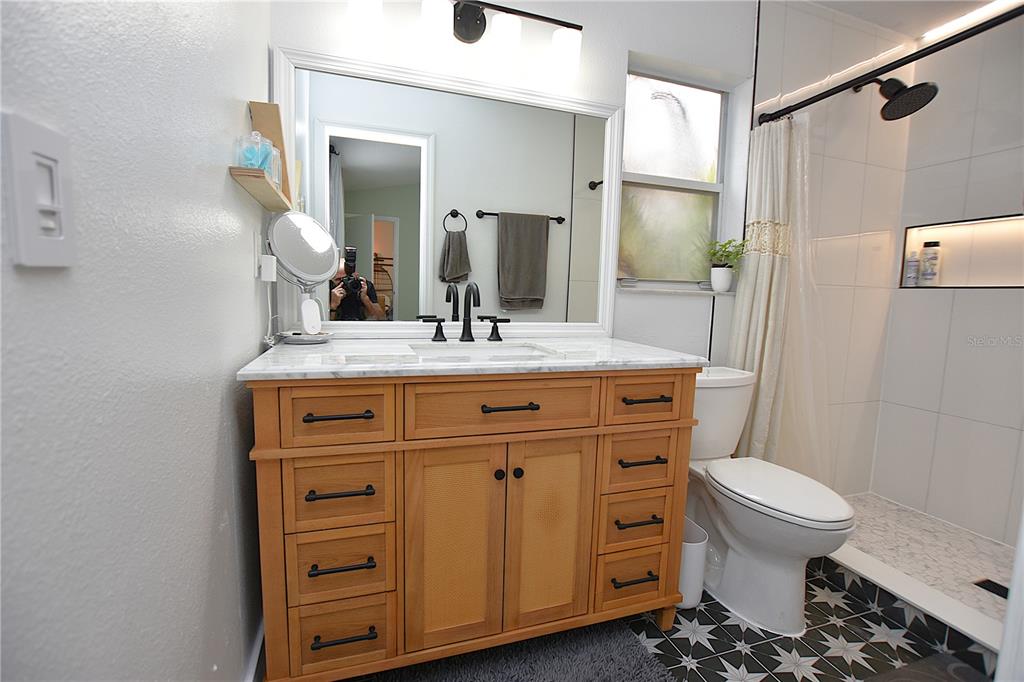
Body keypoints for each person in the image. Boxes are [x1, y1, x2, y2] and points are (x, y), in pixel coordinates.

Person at [330, 251, 385, 321]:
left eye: (347, 278)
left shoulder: (363, 286)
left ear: (355, 274)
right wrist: (333, 305)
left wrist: (365, 298)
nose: (343, 283)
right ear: (331, 279)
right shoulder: (329, 289)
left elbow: (381, 318)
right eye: (338, 279)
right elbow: (325, 325)